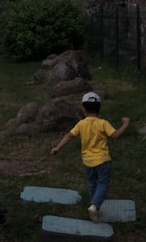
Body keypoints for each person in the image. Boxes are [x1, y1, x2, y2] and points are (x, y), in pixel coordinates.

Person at [50, 91, 129, 222]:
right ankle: (95, 206)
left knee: (92, 183)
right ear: (100, 108)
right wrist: (125, 124)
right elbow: (115, 135)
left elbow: (69, 136)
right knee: (102, 183)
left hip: (87, 161)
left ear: (83, 108)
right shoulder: (103, 123)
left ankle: (94, 208)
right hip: (103, 161)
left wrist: (58, 148)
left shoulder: (81, 124)